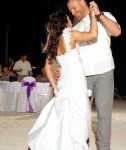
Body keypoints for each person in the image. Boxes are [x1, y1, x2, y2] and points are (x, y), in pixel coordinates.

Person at [28, 3, 98, 149]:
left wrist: (55, 87)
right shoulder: (69, 34)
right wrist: (92, 16)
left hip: (63, 82)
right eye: (68, 18)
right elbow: (93, 34)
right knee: (78, 113)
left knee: (63, 114)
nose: (70, 19)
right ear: (64, 22)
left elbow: (47, 67)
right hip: (76, 81)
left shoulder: (52, 40)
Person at [54, 0, 121, 150]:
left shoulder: (105, 16)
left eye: (73, 7)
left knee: (104, 116)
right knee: (81, 115)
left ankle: (104, 147)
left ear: (81, 2)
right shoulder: (75, 28)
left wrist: (99, 15)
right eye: (69, 10)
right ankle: (82, 145)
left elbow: (117, 32)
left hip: (104, 73)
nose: (72, 11)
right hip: (82, 77)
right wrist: (61, 69)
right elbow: (69, 55)